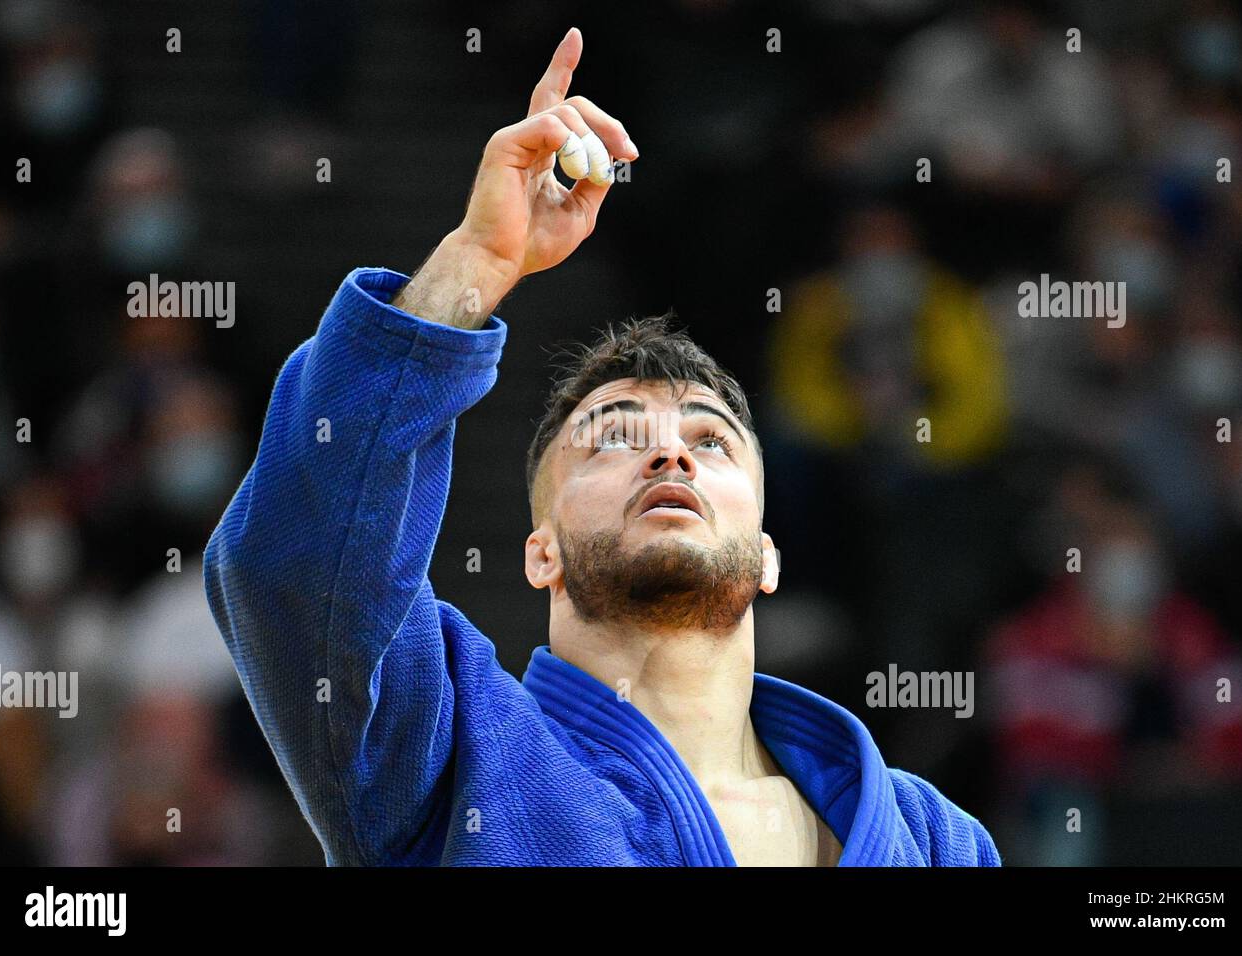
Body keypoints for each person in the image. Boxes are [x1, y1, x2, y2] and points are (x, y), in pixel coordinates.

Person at [204, 27, 1000, 867]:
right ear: (538, 552)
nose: (671, 456)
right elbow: (291, 571)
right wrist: (478, 259)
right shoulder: (454, 757)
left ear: (769, 554)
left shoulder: (935, 839)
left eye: (712, 441)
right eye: (613, 438)